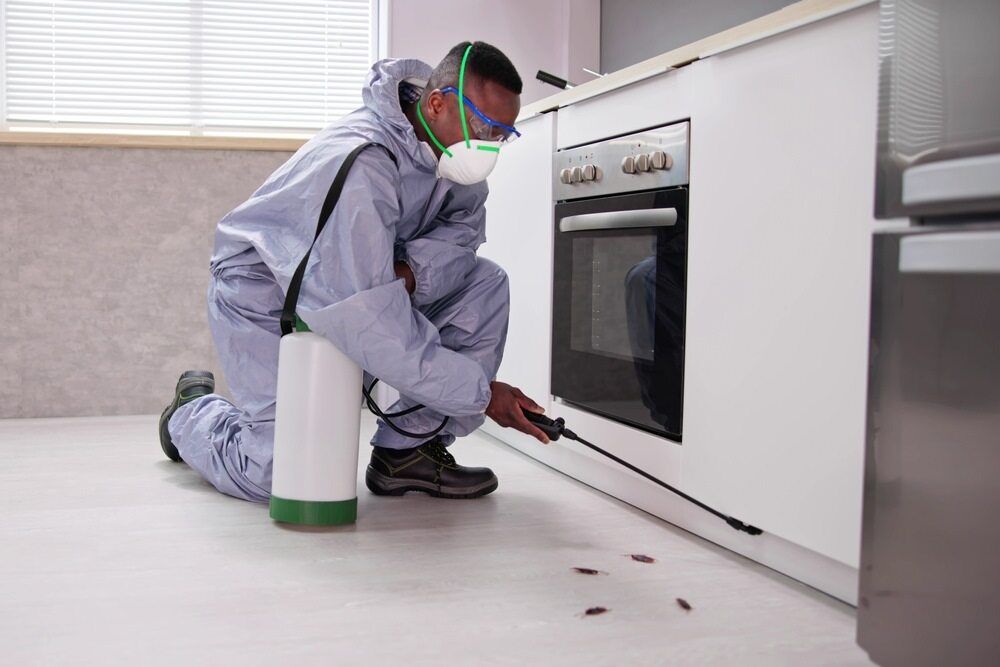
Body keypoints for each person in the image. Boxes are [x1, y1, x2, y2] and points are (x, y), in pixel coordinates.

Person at [158, 41, 550, 503]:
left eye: (504, 133)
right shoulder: (364, 160)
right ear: (438, 102)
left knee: (484, 285)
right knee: (278, 472)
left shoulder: (455, 162)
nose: (492, 144)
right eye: (485, 125)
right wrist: (481, 395)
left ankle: (409, 451)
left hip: (353, 292)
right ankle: (190, 411)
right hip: (265, 294)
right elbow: (371, 324)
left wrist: (409, 273)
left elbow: (462, 238)